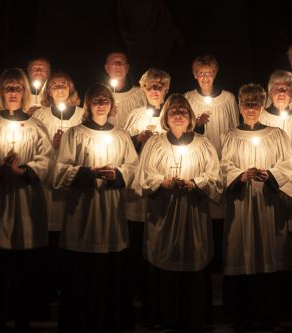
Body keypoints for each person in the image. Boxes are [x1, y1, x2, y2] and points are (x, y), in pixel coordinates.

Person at [0, 68, 52, 332]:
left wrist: (23, 171)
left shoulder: (36, 126)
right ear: (1, 93)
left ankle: (23, 320)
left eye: (17, 88)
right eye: (8, 88)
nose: (13, 93)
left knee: (24, 268)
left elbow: (47, 161)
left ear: (25, 92)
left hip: (25, 203)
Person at [53, 83, 138, 333]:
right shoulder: (74, 134)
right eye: (96, 100)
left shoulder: (121, 136)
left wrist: (118, 173)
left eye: (105, 100)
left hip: (111, 211)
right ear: (88, 105)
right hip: (83, 211)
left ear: (112, 105)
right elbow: (60, 172)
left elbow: (133, 168)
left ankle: (110, 322)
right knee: (81, 274)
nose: (101, 104)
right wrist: (88, 172)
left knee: (110, 274)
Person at [133, 93, 222, 332]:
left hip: (193, 214)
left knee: (192, 260)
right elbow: (142, 176)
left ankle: (193, 318)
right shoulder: (154, 143)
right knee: (163, 261)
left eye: (183, 109)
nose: (179, 113)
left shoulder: (204, 144)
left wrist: (196, 183)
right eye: (174, 110)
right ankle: (162, 317)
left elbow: (215, 178)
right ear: (166, 117)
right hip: (163, 214)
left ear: (191, 116)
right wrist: (162, 182)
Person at [221, 83, 292, 331]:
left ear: (262, 106)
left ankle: (268, 314)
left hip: (268, 204)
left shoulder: (277, 135)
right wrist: (240, 176)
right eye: (246, 103)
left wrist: (270, 174)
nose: (251, 108)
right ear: (239, 106)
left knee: (268, 254)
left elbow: (287, 166)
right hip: (241, 205)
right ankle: (242, 316)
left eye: (255, 103)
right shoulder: (230, 135)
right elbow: (223, 167)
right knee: (241, 254)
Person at [184, 54, 240, 277]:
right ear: (195, 75)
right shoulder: (188, 97)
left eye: (209, 73)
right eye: (201, 73)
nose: (205, 77)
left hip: (223, 160)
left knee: (221, 216)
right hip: (197, 162)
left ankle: (220, 265)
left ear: (215, 74)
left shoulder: (227, 99)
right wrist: (196, 126)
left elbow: (235, 129)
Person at [32, 71, 84, 303]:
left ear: (71, 89)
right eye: (55, 85)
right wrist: (52, 146)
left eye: (64, 85)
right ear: (48, 91)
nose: (60, 88)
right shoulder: (40, 116)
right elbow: (34, 147)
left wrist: (68, 146)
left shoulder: (82, 116)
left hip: (72, 186)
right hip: (46, 184)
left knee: (69, 235)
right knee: (48, 237)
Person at [123, 68, 170, 316]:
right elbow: (123, 147)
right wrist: (138, 140)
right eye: (150, 86)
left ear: (165, 90)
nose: (154, 90)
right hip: (136, 189)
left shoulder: (171, 113)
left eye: (159, 86)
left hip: (161, 187)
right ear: (143, 89)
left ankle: (156, 297)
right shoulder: (134, 115)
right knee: (135, 241)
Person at [260, 70, 292, 145]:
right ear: (270, 92)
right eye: (277, 89)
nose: (282, 92)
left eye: (286, 89)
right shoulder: (261, 118)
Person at [104, 51, 146, 127]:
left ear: (127, 68)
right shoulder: (99, 96)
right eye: (113, 62)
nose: (118, 65)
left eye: (121, 62)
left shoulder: (140, 94)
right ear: (107, 68)